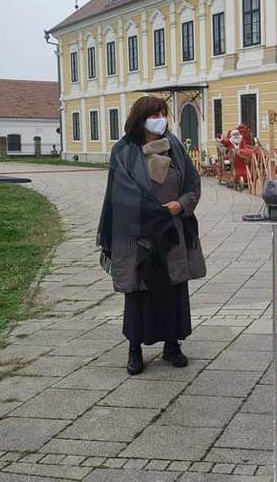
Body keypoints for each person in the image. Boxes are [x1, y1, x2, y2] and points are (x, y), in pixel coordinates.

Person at [97, 96, 206, 376]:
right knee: (140, 291)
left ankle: (172, 345)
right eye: (155, 114)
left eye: (163, 113)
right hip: (138, 233)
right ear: (140, 118)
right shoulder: (123, 151)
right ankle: (135, 349)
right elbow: (121, 192)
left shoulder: (174, 145)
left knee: (173, 289)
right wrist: (156, 212)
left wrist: (180, 205)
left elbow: (192, 182)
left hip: (172, 231)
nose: (161, 119)